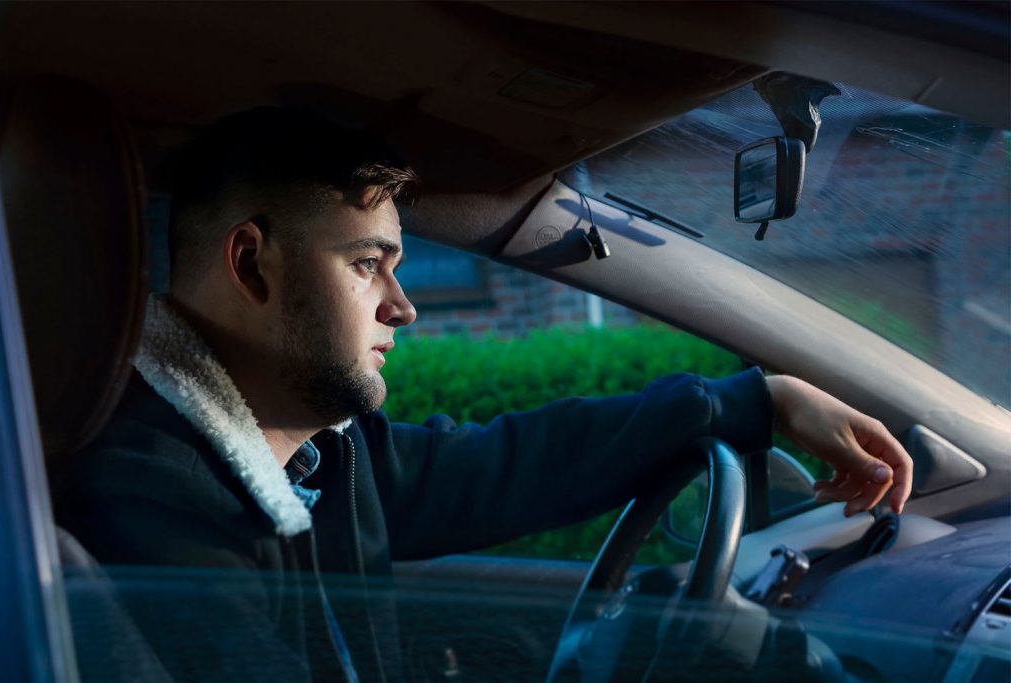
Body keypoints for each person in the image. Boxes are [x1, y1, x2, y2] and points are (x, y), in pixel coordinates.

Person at [53, 107, 912, 682]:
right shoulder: (144, 499)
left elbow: (507, 461)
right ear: (250, 263)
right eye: (367, 264)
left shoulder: (320, 453)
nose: (404, 304)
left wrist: (761, 399)